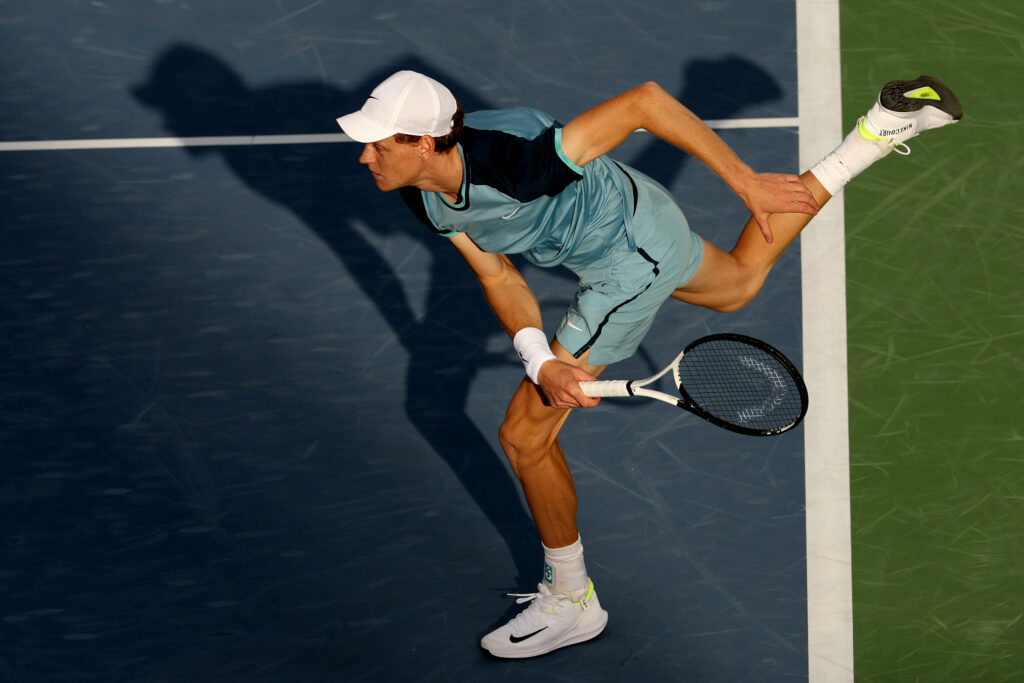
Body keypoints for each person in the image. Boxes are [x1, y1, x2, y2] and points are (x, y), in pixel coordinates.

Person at [336, 71, 962, 658]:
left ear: (425, 143)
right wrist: (538, 358)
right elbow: (497, 275)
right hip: (635, 210)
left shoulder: (517, 161)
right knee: (738, 284)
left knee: (525, 436)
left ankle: (571, 599)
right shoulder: (424, 190)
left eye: (378, 145)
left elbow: (645, 103)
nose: (365, 157)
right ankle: (875, 134)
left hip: (629, 259)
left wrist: (745, 181)